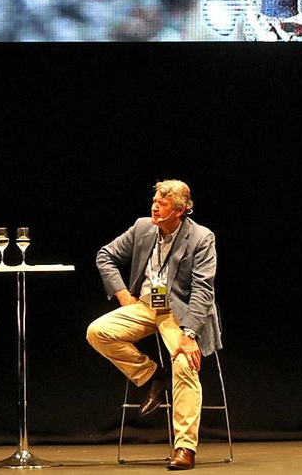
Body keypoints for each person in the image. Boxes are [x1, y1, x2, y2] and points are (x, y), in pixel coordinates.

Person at [87, 180, 221, 471]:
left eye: (162, 203)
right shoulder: (143, 227)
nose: (154, 206)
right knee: (98, 332)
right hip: (146, 307)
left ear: (180, 211)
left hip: (180, 314)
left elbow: (203, 290)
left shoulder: (201, 237)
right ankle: (152, 378)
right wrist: (123, 294)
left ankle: (184, 447)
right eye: (154, 200)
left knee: (185, 363)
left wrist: (188, 334)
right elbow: (105, 256)